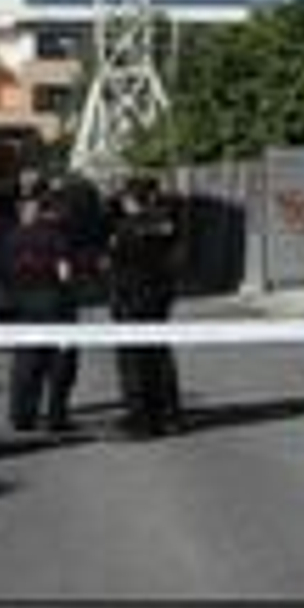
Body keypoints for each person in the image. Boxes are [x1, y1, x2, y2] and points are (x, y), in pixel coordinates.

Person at [107, 172, 183, 437]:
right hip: (159, 296)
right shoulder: (166, 224)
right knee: (160, 355)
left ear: (131, 199)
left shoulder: (124, 229)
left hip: (131, 299)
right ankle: (170, 414)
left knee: (133, 360)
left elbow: (116, 263)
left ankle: (141, 418)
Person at [0, 189, 80, 435]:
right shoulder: (57, 236)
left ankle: (22, 416)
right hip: (55, 304)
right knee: (60, 364)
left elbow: (2, 273)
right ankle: (56, 416)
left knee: (25, 363)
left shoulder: (9, 238)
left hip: (22, 305)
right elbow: (65, 273)